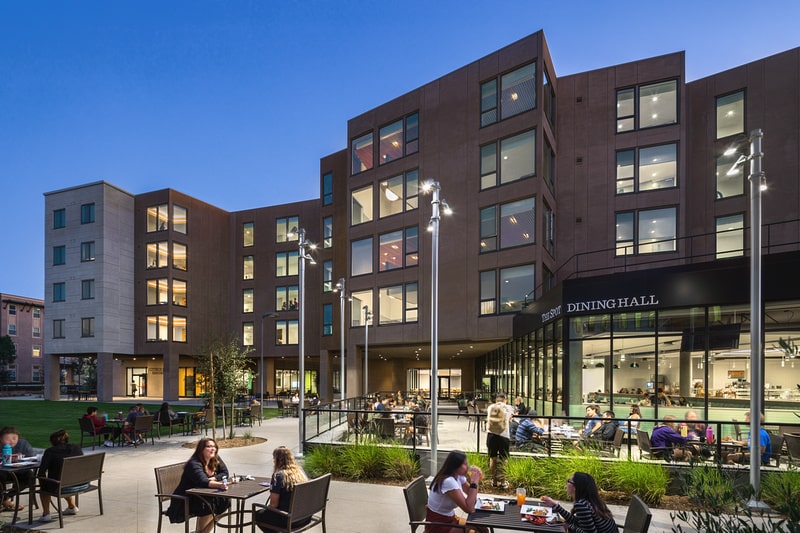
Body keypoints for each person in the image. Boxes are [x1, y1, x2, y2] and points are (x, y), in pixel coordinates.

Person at [167, 438, 230, 533]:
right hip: (185, 500)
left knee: (224, 502)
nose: (212, 449)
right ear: (201, 449)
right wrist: (220, 485)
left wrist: (213, 479)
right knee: (208, 505)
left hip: (200, 497)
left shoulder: (215, 459)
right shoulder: (194, 463)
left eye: (214, 446)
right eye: (208, 446)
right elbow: (202, 482)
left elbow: (225, 473)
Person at [425, 450, 484, 533]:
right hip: (438, 525)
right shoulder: (448, 481)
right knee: (477, 530)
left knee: (482, 527)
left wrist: (475, 482)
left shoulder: (458, 476)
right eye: (464, 464)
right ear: (455, 466)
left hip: (450, 519)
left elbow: (472, 495)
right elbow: (469, 508)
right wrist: (474, 483)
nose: (468, 466)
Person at [540, 472, 617, 533]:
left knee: (544, 529)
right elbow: (577, 521)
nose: (566, 483)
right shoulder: (592, 500)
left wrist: (568, 526)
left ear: (575, 487)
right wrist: (555, 505)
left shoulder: (582, 505)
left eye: (569, 481)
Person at [254, 446, 309, 531]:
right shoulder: (300, 473)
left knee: (257, 515)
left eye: (274, 459)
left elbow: (273, 505)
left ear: (278, 460)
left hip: (288, 519)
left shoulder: (278, 476)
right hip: (304, 517)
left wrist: (266, 509)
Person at [37, 429, 85, 522]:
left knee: (44, 484)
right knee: (64, 480)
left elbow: (41, 473)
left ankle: (46, 514)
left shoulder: (50, 452)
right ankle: (72, 507)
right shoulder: (76, 448)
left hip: (62, 486)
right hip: (81, 484)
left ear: (52, 442)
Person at [1, 426, 35, 511]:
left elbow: (31, 456)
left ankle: (7, 497)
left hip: (18, 470)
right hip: (3, 471)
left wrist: (19, 458)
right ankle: (4, 501)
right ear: (1, 439)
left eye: (14, 438)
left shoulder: (22, 444)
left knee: (30, 476)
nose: (12, 441)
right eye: (7, 439)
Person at [485, 392, 514, 489]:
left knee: (492, 457)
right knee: (504, 458)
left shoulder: (490, 407)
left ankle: (494, 481)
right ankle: (503, 482)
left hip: (491, 435)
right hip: (504, 436)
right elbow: (510, 419)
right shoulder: (509, 408)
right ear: (506, 399)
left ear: (496, 400)